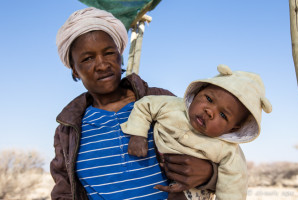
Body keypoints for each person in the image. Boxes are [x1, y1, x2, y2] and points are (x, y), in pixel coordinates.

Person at [50, 7, 218, 200]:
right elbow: (64, 191)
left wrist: (208, 174)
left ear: (120, 55)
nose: (103, 65)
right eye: (88, 58)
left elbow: (217, 148)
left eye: (109, 53)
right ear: (74, 70)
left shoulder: (160, 101)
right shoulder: (68, 129)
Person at [121, 64, 272, 200]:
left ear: (233, 128)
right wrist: (138, 134)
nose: (209, 111)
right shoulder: (171, 105)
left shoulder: (228, 150)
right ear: (198, 91)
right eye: (209, 99)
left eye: (223, 115)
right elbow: (144, 105)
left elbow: (234, 185)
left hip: (193, 190)